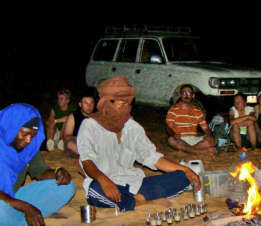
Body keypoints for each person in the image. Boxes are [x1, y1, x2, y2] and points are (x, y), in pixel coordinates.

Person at [77, 76, 201, 212]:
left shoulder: (133, 128)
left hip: (134, 183)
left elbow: (152, 157)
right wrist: (103, 179)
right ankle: (141, 202)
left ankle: (136, 198)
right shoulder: (90, 125)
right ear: (107, 104)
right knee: (95, 190)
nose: (127, 109)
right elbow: (86, 161)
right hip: (104, 183)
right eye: (122, 105)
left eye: (129, 105)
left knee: (182, 177)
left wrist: (186, 170)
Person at [0, 103, 76, 226]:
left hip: (12, 195)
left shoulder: (27, 144)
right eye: (25, 134)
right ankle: (27, 217)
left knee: (67, 186)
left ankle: (21, 217)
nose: (28, 140)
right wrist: (26, 207)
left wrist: (58, 172)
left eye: (32, 135)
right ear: (12, 127)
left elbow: (40, 172)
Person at [166, 84, 216, 154]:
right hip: (180, 139)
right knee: (171, 140)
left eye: (189, 93)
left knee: (213, 140)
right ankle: (199, 151)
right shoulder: (173, 109)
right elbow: (169, 128)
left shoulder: (198, 110)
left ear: (193, 96)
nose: (187, 95)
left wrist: (209, 135)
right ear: (180, 95)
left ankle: (187, 150)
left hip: (194, 139)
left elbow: (206, 128)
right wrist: (173, 134)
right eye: (184, 93)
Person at [61, 90, 96, 158]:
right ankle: (88, 157)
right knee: (70, 144)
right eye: (86, 103)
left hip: (93, 143)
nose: (89, 106)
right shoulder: (74, 116)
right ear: (80, 104)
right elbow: (66, 136)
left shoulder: (97, 116)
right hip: (77, 142)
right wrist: (83, 139)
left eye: (91, 103)